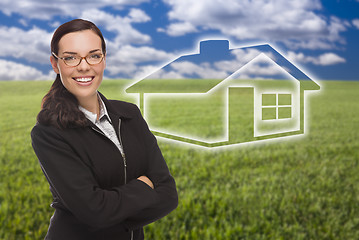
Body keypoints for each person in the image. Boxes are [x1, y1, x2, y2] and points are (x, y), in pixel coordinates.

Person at [31, 19, 178, 240]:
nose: (84, 66)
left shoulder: (130, 115)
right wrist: (144, 186)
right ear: (55, 64)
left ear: (104, 59)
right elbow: (94, 212)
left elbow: (168, 194)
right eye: (70, 58)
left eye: (94, 55)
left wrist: (111, 214)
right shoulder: (49, 133)